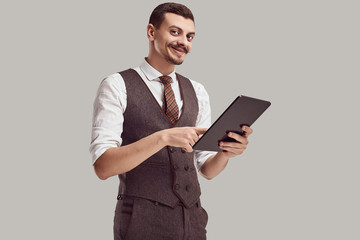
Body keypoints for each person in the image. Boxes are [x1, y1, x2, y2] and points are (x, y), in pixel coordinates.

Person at [90, 2, 252, 240]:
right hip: (140, 224)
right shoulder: (116, 85)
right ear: (151, 32)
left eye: (190, 36)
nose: (183, 42)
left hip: (193, 223)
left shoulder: (198, 90)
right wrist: (162, 138)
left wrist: (225, 153)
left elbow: (206, 169)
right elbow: (102, 166)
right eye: (174, 32)